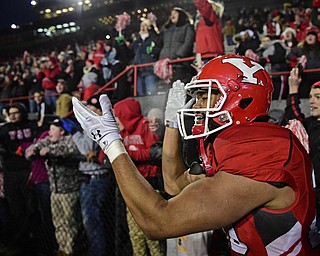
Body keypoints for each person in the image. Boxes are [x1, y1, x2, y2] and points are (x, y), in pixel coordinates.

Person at [72, 54, 320, 255]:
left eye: (205, 96)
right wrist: (171, 124)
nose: (197, 106)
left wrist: (112, 144)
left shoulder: (263, 149)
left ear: (242, 98)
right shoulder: (234, 142)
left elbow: (158, 221)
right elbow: (174, 184)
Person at [112, 98, 165, 256]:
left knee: (153, 236)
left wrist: (127, 155)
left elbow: (153, 153)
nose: (115, 119)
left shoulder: (146, 125)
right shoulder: (122, 131)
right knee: (135, 234)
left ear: (126, 114)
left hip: (151, 186)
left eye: (117, 115)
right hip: (132, 186)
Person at [25, 118, 82, 256]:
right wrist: (32, 151)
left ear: (62, 131)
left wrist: (49, 151)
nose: (49, 133)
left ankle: (70, 250)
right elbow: (33, 148)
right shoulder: (48, 141)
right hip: (55, 190)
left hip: (69, 190)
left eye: (52, 130)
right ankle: (62, 249)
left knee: (70, 223)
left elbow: (69, 150)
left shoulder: (69, 140)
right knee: (58, 223)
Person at [70, 94, 114, 256]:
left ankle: (97, 252)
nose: (90, 113)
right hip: (88, 177)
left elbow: (85, 149)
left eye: (94, 110)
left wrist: (75, 133)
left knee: (92, 219)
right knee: (89, 220)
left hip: (97, 177)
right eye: (89, 109)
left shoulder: (101, 125)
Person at [282, 67, 320, 235]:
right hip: (313, 197)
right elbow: (292, 116)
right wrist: (293, 90)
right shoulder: (310, 124)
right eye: (311, 97)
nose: (312, 101)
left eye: (318, 98)